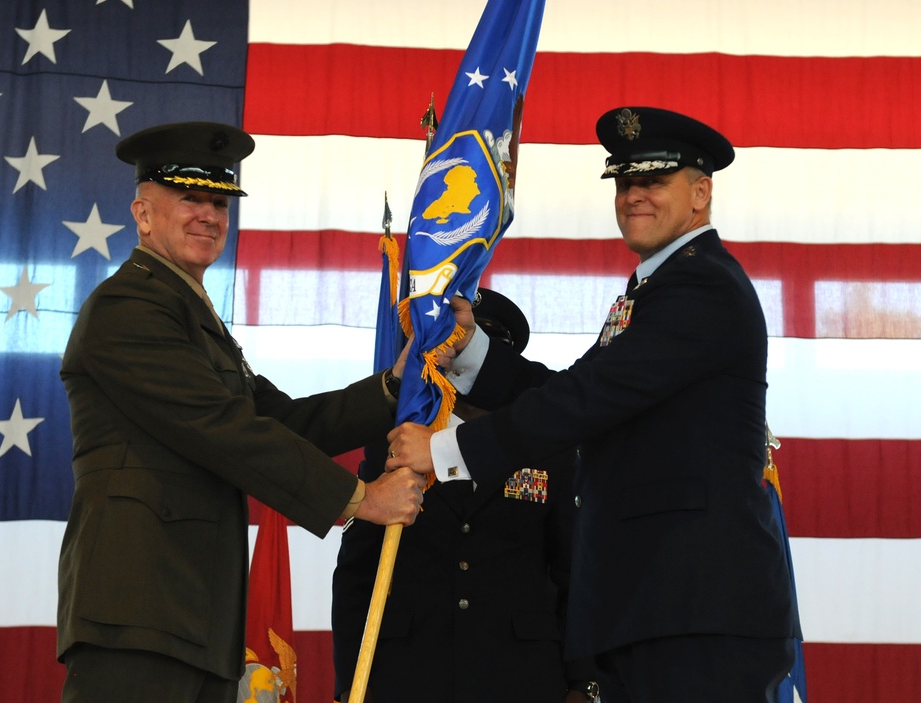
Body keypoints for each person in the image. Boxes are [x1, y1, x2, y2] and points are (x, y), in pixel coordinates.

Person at [385, 107, 802, 703]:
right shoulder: (659, 285)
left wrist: (446, 451)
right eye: (626, 182)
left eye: (654, 181)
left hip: (693, 612)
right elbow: (579, 389)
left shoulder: (701, 285)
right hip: (656, 607)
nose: (635, 196)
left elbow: (586, 402)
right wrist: (469, 349)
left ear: (701, 193)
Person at [56, 121, 426, 703]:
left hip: (195, 618)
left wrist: (393, 385)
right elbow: (222, 431)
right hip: (137, 614)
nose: (209, 214)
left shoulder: (192, 314)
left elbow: (279, 422)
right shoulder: (127, 306)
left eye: (219, 202)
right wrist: (363, 499)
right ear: (143, 213)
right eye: (189, 198)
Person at [331, 289, 590, 703]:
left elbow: (574, 572)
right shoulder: (393, 446)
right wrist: (349, 683)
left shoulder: (547, 449)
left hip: (520, 677)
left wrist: (582, 683)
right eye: (446, 348)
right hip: (410, 675)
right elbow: (357, 575)